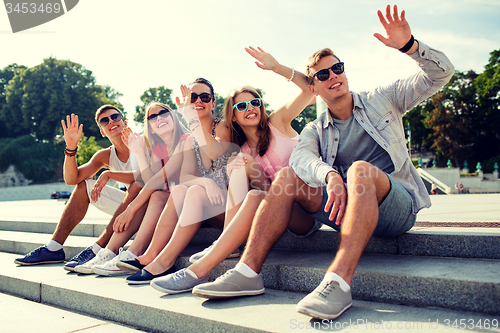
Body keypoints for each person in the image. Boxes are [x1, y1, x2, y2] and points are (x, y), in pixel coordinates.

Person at [191, 5, 454, 321]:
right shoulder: (316, 129)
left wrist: (409, 46)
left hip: (396, 206)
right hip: (347, 207)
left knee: (359, 169)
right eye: (323, 74)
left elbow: (442, 73)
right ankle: (247, 271)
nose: (334, 76)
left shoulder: (383, 98)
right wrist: (328, 175)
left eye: (338, 68)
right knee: (287, 175)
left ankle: (338, 282)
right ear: (313, 88)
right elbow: (302, 159)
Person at [148, 48, 322, 294]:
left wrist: (277, 67)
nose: (250, 107)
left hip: (306, 209)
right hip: (277, 211)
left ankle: (207, 262)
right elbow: (215, 158)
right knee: (240, 169)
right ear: (234, 116)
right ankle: (218, 253)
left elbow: (309, 90)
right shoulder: (239, 148)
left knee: (243, 167)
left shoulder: (278, 122)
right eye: (242, 106)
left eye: (254, 102)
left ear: (261, 106)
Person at [122, 78, 234, 284]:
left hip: (232, 208)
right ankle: (153, 255)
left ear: (213, 102)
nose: (198, 101)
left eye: (204, 97)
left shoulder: (222, 127)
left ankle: (164, 261)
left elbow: (215, 152)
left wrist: (191, 119)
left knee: (190, 191)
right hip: (208, 204)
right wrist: (206, 182)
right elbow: (185, 177)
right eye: (193, 97)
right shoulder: (190, 139)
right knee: (182, 189)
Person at [15, 105, 141, 270]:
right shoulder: (105, 156)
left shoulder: (142, 142)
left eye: (115, 117)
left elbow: (147, 176)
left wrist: (109, 175)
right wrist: (71, 146)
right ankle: (53, 248)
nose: (111, 121)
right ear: (102, 131)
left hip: (152, 205)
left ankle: (97, 248)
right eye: (105, 120)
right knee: (84, 185)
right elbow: (72, 179)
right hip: (129, 209)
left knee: (135, 186)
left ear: (124, 122)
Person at [73, 102, 190, 275]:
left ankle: (132, 252)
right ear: (149, 125)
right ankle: (113, 252)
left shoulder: (186, 139)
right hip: (169, 198)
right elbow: (150, 180)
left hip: (195, 198)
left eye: (163, 113)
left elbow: (156, 178)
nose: (159, 118)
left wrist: (130, 208)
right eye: (152, 117)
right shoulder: (158, 148)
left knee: (150, 192)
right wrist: (139, 152)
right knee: (156, 195)